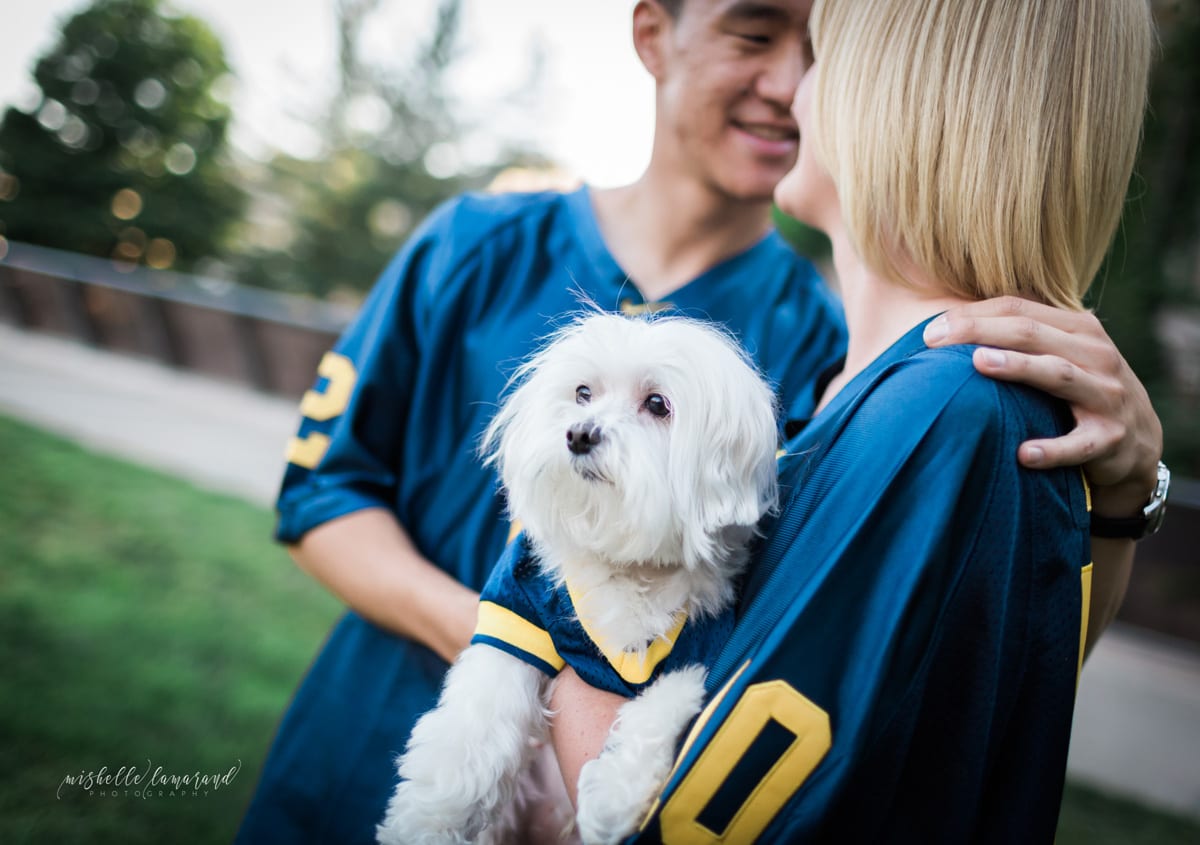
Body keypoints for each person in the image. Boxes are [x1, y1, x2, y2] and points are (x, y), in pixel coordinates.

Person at [235, 1, 1164, 842]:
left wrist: (1125, 495)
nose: (787, 82)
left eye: (816, 48)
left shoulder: (836, 356)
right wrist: (521, 642)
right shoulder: (472, 243)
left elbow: (928, 657)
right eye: (753, 34)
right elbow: (322, 488)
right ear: (653, 36)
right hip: (363, 753)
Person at [552, 0, 1155, 841]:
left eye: (823, 54)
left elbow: (703, 823)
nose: (794, 89)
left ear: (896, 95)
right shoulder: (878, 391)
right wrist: (1126, 507)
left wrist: (559, 659)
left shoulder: (942, 412)